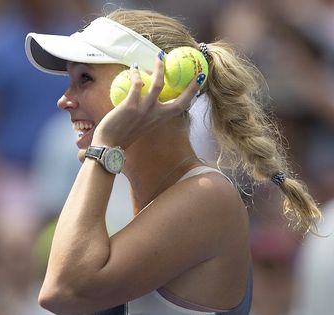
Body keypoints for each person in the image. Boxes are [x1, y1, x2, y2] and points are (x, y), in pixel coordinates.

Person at [24, 8, 322, 315]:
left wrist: (104, 147)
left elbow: (62, 292)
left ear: (153, 88)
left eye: (84, 79)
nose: (64, 100)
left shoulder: (208, 196)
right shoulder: (152, 197)